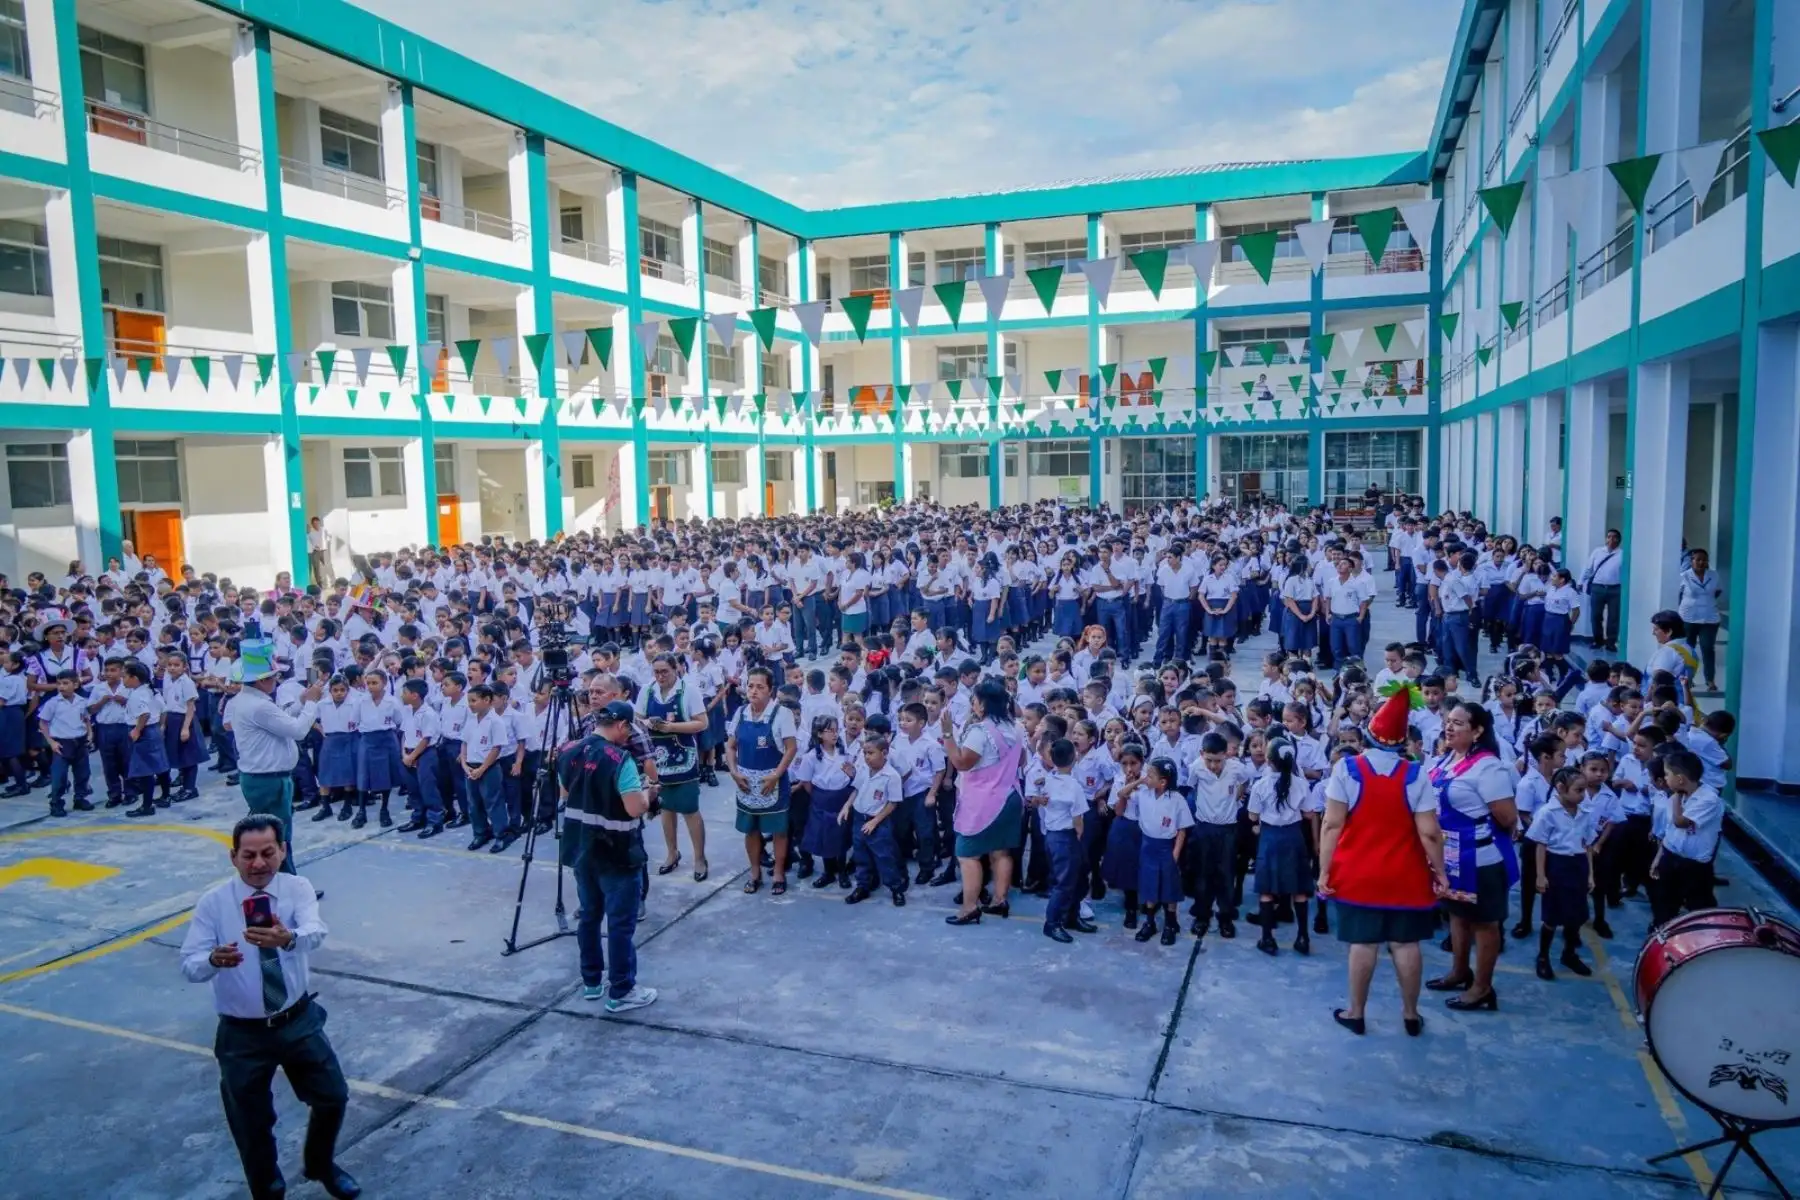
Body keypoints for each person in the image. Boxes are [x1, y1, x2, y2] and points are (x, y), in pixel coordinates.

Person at [178, 815, 359, 1200]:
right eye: (249, 855)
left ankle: (320, 1163)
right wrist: (212, 960)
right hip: (242, 1033)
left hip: (296, 1019)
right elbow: (189, 964)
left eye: (267, 853)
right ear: (233, 857)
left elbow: (316, 931)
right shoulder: (213, 903)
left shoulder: (297, 888)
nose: (258, 863)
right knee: (251, 1121)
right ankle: (268, 1189)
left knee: (333, 1096)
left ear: (283, 851)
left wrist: (288, 938)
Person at [1316, 684, 1445, 1037]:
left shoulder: (1347, 770)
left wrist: (1325, 871)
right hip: (1406, 875)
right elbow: (1430, 833)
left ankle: (1356, 1012)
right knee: (1406, 945)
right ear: (1402, 740)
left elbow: (1331, 825)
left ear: (1369, 735)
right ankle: (1410, 1014)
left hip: (1358, 873)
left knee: (1364, 944)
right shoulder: (1416, 774)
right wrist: (1442, 873)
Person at [556, 699, 659, 1013]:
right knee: (620, 923)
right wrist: (649, 792)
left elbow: (564, 794)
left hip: (580, 849)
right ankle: (622, 989)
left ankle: (591, 982)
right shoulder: (621, 760)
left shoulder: (568, 751)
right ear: (622, 726)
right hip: (616, 851)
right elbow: (634, 808)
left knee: (589, 915)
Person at [1425, 700, 1518, 1012]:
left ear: (1477, 731)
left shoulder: (1488, 767)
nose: (1449, 727)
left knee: (1484, 923)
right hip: (1450, 857)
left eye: (1459, 723)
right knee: (1458, 915)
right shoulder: (1447, 759)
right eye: (1449, 721)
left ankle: (1482, 987)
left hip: (1480, 859)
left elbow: (1506, 817)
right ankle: (1459, 971)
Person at [942, 678, 1026, 926]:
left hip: (984, 802)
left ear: (983, 705)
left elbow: (960, 762)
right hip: (1010, 796)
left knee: (967, 854)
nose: (973, 705)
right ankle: (999, 900)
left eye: (975, 701)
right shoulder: (1015, 727)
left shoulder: (981, 732)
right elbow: (1020, 761)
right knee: (1000, 851)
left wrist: (947, 733)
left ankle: (969, 908)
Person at [1676, 548, 1722, 692]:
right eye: (1698, 560)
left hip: (1709, 617)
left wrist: (1705, 601)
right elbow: (1679, 595)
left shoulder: (1713, 576)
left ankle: (1710, 680)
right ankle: (1688, 679)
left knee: (1708, 648)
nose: (1701, 562)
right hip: (1688, 618)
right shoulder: (1684, 576)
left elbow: (1717, 591)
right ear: (1692, 561)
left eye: (1704, 560)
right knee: (1688, 649)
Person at [1580, 529, 1624, 653]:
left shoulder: (1622, 554)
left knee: (1613, 617)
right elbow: (1588, 568)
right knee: (1595, 616)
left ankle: (1611, 642)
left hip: (1615, 588)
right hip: (1597, 587)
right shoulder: (1597, 552)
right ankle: (1598, 640)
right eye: (1608, 536)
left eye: (1614, 537)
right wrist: (1580, 582)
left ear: (1619, 540)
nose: (1611, 539)